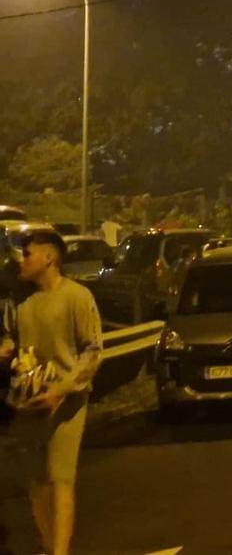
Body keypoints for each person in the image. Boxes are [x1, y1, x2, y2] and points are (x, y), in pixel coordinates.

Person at [0, 229, 103, 555]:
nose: (21, 260)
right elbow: (12, 344)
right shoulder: (21, 303)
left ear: (49, 257)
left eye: (27, 254)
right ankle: (48, 546)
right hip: (30, 401)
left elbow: (92, 351)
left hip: (67, 404)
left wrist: (62, 389)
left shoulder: (77, 297)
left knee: (61, 479)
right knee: (36, 484)